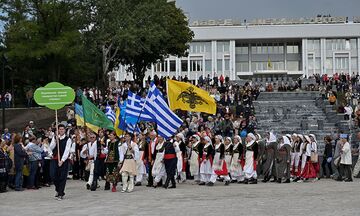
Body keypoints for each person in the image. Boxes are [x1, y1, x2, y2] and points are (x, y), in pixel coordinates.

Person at [49, 124, 72, 200]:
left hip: (63, 160)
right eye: (60, 129)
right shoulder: (55, 137)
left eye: (62, 129)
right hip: (55, 159)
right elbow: (51, 147)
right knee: (53, 175)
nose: (61, 130)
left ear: (64, 130)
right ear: (58, 130)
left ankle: (61, 193)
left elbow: (67, 150)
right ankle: (58, 189)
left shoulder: (68, 139)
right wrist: (55, 141)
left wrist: (62, 160)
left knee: (62, 177)